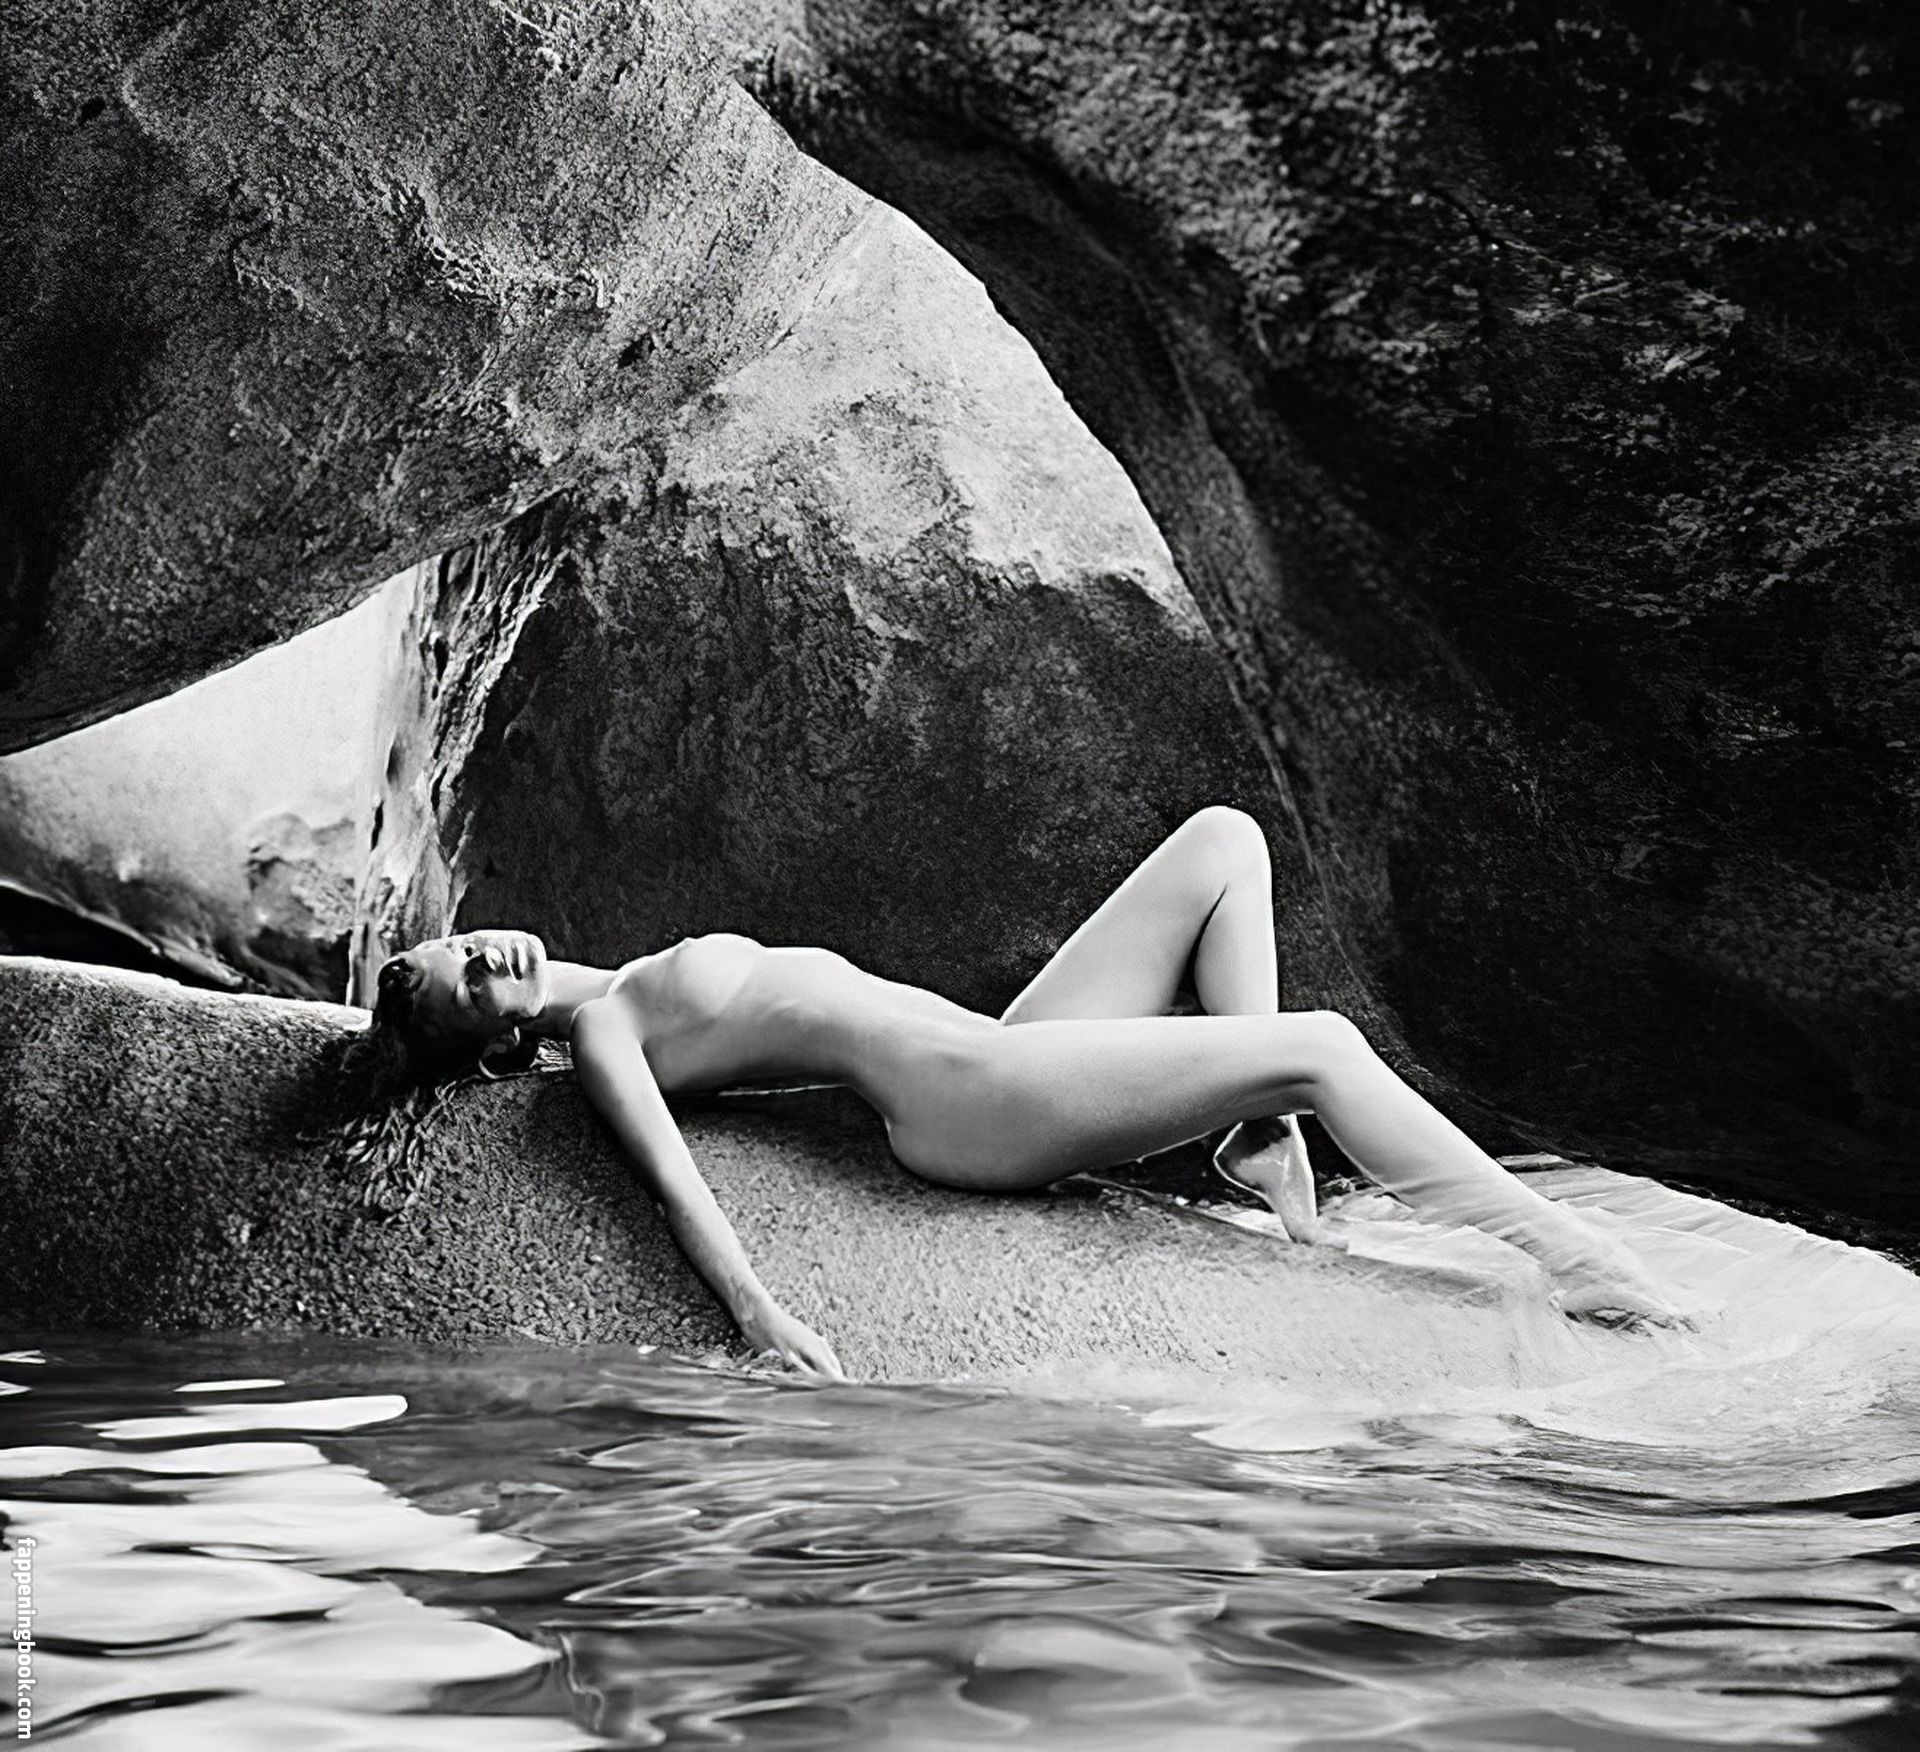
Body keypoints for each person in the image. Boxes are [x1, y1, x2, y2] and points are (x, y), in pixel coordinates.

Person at [348, 807, 1687, 1378]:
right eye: (477, 990)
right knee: (1326, 1042)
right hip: (966, 1111)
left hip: (992, 1048)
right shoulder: (604, 1040)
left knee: (1226, 844)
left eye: (465, 946)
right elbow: (678, 1189)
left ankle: (1257, 1129)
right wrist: (761, 1318)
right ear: (501, 1046)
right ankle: (1571, 1257)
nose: (490, 958)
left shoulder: (621, 978)